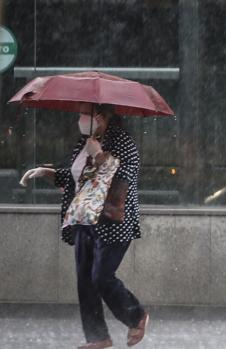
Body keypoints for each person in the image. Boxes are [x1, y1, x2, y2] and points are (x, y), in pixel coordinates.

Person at [19, 103, 148, 349]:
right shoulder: (85, 141)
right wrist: (46, 172)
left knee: (101, 277)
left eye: (83, 114)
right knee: (85, 281)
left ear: (99, 117)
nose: (79, 118)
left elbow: (122, 178)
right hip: (84, 218)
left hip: (112, 221)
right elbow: (76, 177)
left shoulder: (123, 142)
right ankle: (98, 337)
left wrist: (99, 154)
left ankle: (136, 316)